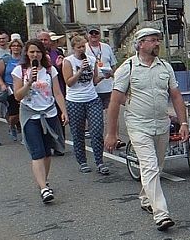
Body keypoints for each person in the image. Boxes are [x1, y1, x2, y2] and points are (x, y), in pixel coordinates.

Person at [104, 28, 189, 231]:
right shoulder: (128, 68)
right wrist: (112, 133)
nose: (157, 44)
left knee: (157, 167)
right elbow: (115, 101)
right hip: (138, 124)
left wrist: (184, 123)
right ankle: (161, 214)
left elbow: (176, 96)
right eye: (152, 40)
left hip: (161, 124)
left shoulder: (165, 67)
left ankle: (145, 197)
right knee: (150, 166)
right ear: (140, 44)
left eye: (158, 40)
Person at [12, 39, 68, 204]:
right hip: (30, 114)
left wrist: (64, 111)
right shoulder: (19, 71)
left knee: (46, 151)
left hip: (49, 112)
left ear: (42, 53)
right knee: (36, 152)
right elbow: (17, 96)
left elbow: (57, 93)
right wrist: (29, 82)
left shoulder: (50, 71)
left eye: (38, 51)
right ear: (26, 53)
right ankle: (44, 188)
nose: (35, 54)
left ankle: (44, 180)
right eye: (31, 52)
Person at [62, 34, 109, 174]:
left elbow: (93, 81)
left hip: (92, 98)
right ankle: (82, 161)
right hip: (75, 100)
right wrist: (80, 70)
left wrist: (103, 76)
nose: (82, 50)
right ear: (73, 48)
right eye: (79, 47)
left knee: (96, 130)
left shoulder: (91, 59)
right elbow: (69, 82)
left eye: (83, 46)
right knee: (78, 132)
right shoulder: (68, 61)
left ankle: (99, 161)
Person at [0, 38, 24, 141]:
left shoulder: (24, 60)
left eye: (18, 46)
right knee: (14, 114)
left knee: (23, 111)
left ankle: (23, 134)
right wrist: (2, 85)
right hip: (10, 89)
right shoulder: (6, 60)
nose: (16, 48)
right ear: (10, 47)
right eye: (14, 46)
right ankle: (12, 125)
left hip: (22, 88)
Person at [85, 26, 117, 113]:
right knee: (95, 117)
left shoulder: (106, 47)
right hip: (92, 90)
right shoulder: (84, 48)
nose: (94, 35)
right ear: (87, 35)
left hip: (108, 88)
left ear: (100, 35)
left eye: (96, 33)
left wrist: (112, 74)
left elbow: (113, 65)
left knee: (111, 114)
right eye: (91, 33)